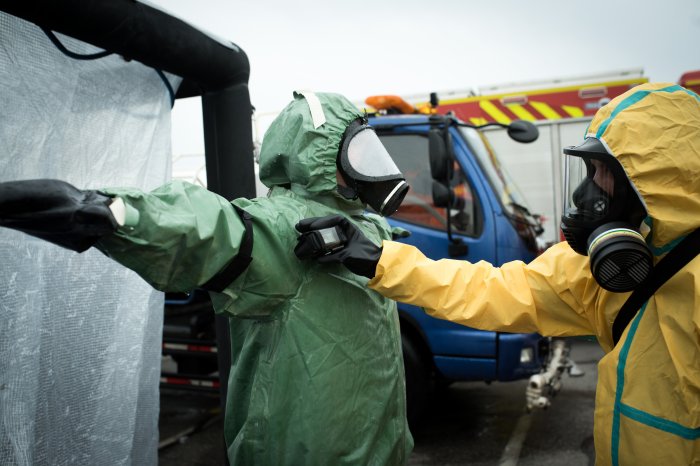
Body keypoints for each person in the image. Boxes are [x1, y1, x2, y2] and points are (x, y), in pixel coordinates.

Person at [295, 82, 700, 466]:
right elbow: (492, 290)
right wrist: (378, 259)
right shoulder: (598, 272)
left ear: (651, 184)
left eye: (601, 173)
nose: (585, 194)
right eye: (588, 172)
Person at [0, 91, 413, 465]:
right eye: (357, 152)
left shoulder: (364, 228)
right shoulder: (289, 229)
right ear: (317, 156)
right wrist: (119, 213)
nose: (369, 166)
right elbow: (209, 226)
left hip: (383, 446)